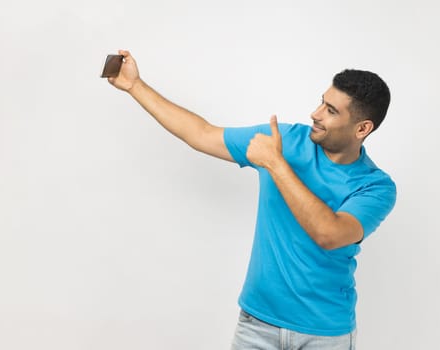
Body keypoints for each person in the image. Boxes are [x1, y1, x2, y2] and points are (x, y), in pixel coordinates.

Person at [107, 50, 396, 350]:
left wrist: (275, 163)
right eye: (322, 101)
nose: (316, 113)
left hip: (325, 334)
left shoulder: (375, 186)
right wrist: (135, 85)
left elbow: (329, 234)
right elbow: (201, 134)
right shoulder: (285, 139)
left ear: (362, 128)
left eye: (331, 111)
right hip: (257, 325)